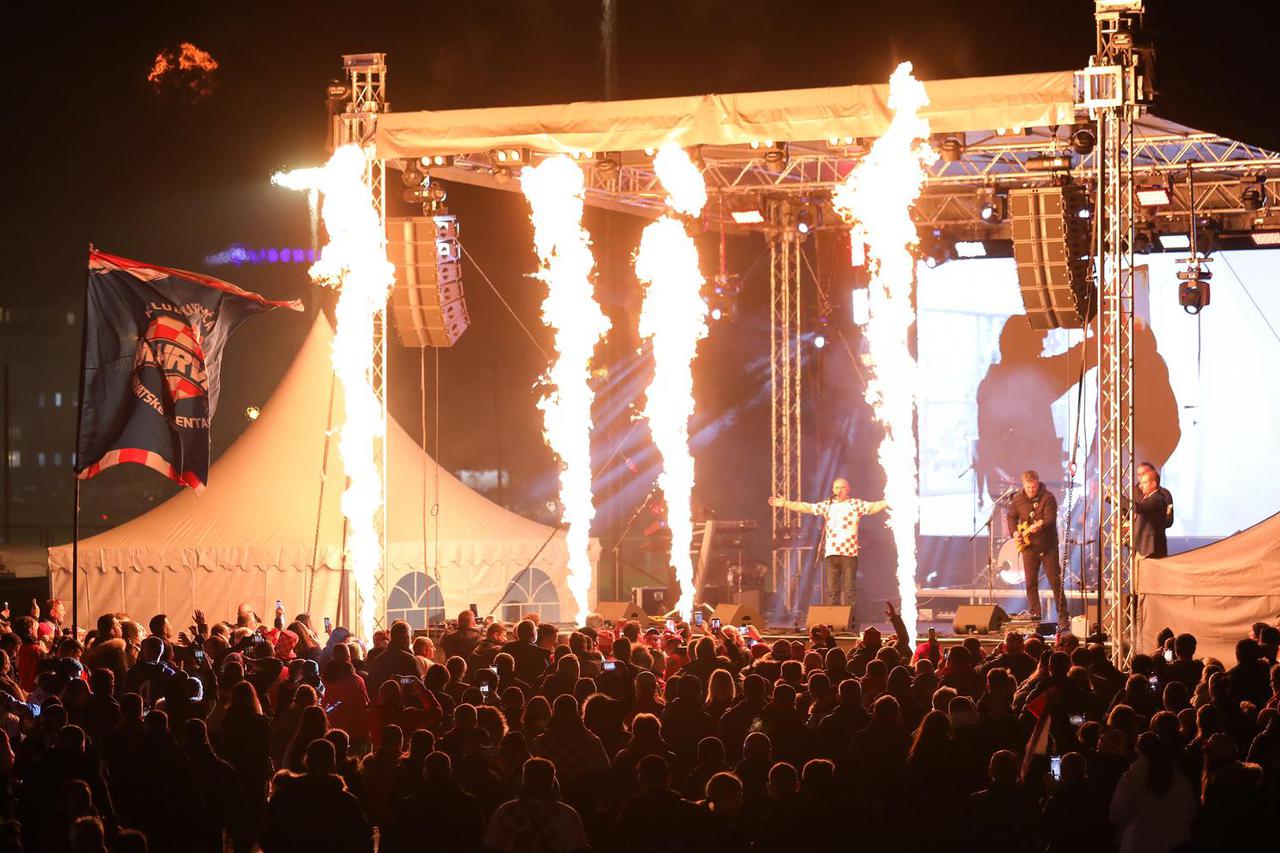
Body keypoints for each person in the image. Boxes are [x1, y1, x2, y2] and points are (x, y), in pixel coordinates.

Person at [767, 477, 888, 627]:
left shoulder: (855, 504)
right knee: (833, 591)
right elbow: (807, 508)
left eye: (842, 487)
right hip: (831, 553)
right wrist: (785, 503)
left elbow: (873, 507)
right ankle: (836, 623)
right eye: (836, 488)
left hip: (849, 553)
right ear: (832, 490)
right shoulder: (828, 505)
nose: (839, 490)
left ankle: (853, 623)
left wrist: (888, 501)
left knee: (850, 590)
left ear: (848, 489)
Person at [483, 757, 590, 853]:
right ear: (551, 782)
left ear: (524, 780)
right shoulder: (566, 814)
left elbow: (489, 847)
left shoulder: (504, 811)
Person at [1007, 470, 1068, 627]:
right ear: (1024, 485)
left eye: (1033, 487)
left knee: (1055, 581)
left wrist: (1039, 526)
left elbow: (1049, 519)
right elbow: (1011, 516)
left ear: (1038, 483)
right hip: (1029, 547)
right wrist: (1014, 532)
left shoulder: (1048, 498)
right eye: (1028, 488)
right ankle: (1035, 615)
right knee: (1030, 583)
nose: (1031, 490)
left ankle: (1063, 617)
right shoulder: (1018, 499)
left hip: (1048, 546)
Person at [1132, 464, 1172, 559]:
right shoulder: (1138, 493)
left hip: (1150, 547)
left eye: (1144, 475)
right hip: (1139, 545)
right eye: (1139, 475)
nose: (1141, 484)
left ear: (1153, 483)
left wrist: (1119, 499)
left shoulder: (1159, 497)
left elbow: (1141, 509)